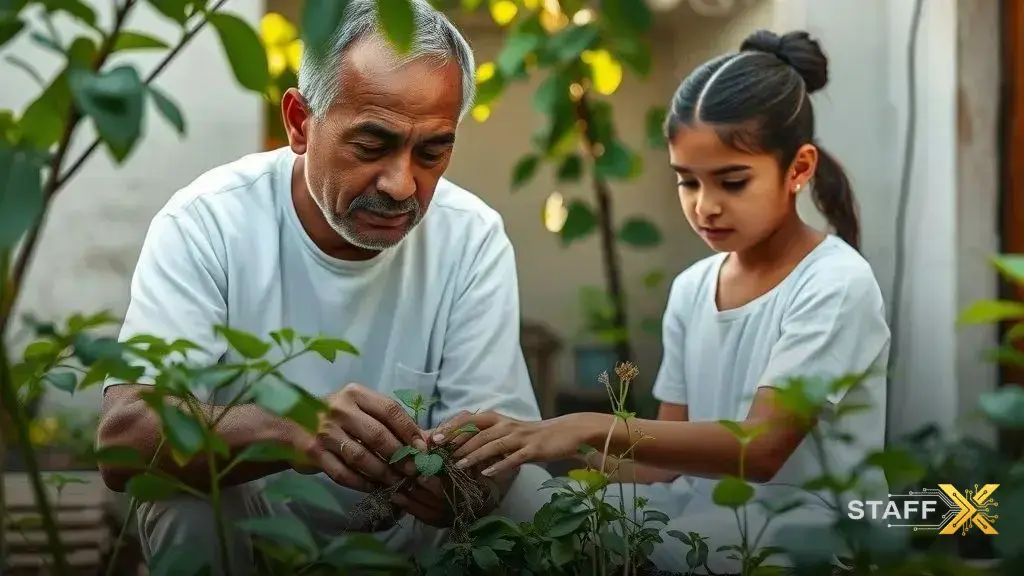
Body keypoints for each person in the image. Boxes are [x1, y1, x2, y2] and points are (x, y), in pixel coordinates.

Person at [95, 1, 552, 573]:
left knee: (529, 492)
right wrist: (291, 430)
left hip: (412, 547)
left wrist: (467, 484)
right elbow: (124, 439)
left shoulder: (471, 236)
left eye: (432, 152)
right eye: (371, 146)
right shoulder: (207, 223)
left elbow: (502, 449)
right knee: (183, 499)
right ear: (299, 122)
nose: (401, 184)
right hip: (255, 540)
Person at [432, 29, 891, 573]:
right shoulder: (694, 287)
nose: (705, 206)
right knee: (530, 511)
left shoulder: (834, 282)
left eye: (732, 182)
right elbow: (662, 467)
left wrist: (581, 427)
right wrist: (534, 455)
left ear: (798, 169)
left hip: (805, 535)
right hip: (702, 521)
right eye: (688, 182)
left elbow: (761, 451)